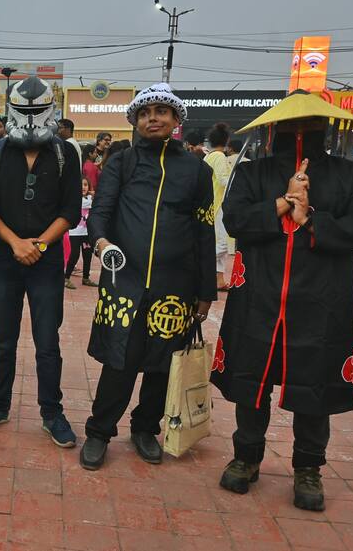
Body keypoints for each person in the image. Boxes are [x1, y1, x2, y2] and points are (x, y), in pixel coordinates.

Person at [212, 95, 353, 512]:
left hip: (320, 301)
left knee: (313, 384)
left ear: (325, 127)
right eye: (292, 124)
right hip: (259, 297)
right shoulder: (253, 173)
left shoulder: (349, 174)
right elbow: (234, 220)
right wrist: (283, 203)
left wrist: (310, 220)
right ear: (275, 127)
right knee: (251, 381)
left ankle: (309, 467)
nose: (299, 133)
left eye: (310, 124)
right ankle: (246, 456)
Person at [80, 83, 216, 470]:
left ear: (176, 120)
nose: (152, 118)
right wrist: (102, 242)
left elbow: (204, 231)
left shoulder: (196, 170)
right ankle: (98, 431)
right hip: (125, 279)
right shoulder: (121, 162)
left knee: (162, 363)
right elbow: (101, 212)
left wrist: (205, 291)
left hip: (177, 285)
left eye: (161, 112)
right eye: (144, 113)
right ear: (135, 121)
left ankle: (144, 429)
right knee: (119, 362)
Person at [0, 75, 82, 448]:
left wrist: (39, 244)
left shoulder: (65, 153)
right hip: (7, 258)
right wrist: (16, 243)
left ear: (51, 109)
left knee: (47, 341)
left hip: (46, 263)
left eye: (37, 111)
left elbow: (70, 211)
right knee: (4, 340)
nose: (31, 118)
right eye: (23, 111)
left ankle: (52, 412)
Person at [203, 123, 233, 289]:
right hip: (219, 205)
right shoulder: (220, 157)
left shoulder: (208, 157)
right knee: (221, 244)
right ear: (226, 141)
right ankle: (200, 265)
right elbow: (224, 180)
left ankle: (219, 280)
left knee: (218, 241)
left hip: (210, 203)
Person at [65, 177, 95, 288]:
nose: (83, 187)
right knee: (75, 255)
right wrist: (93, 196)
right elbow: (86, 204)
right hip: (75, 233)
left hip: (86, 233)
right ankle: (66, 278)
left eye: (86, 185)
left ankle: (86, 278)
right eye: (81, 185)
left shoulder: (89, 198)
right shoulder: (76, 199)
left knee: (88, 255)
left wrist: (92, 196)